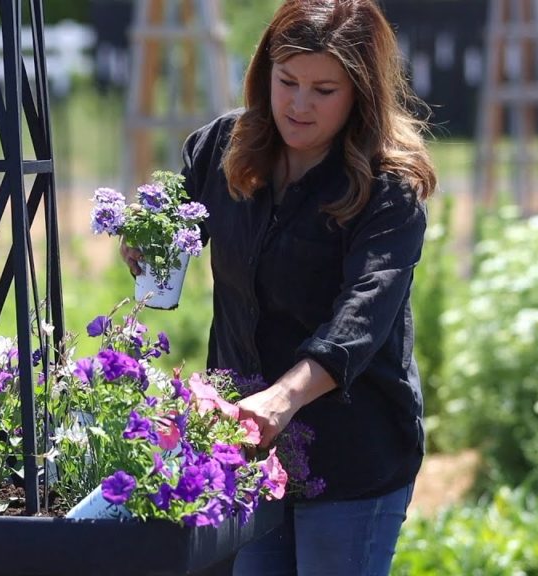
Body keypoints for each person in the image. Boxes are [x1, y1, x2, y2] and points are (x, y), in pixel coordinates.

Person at [121, 1, 436, 573]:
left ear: (361, 96)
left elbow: (363, 314)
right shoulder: (221, 148)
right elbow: (173, 227)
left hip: (350, 452)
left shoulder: (389, 189)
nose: (297, 104)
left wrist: (283, 397)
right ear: (265, 70)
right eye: (286, 80)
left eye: (323, 90)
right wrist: (146, 243)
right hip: (246, 442)